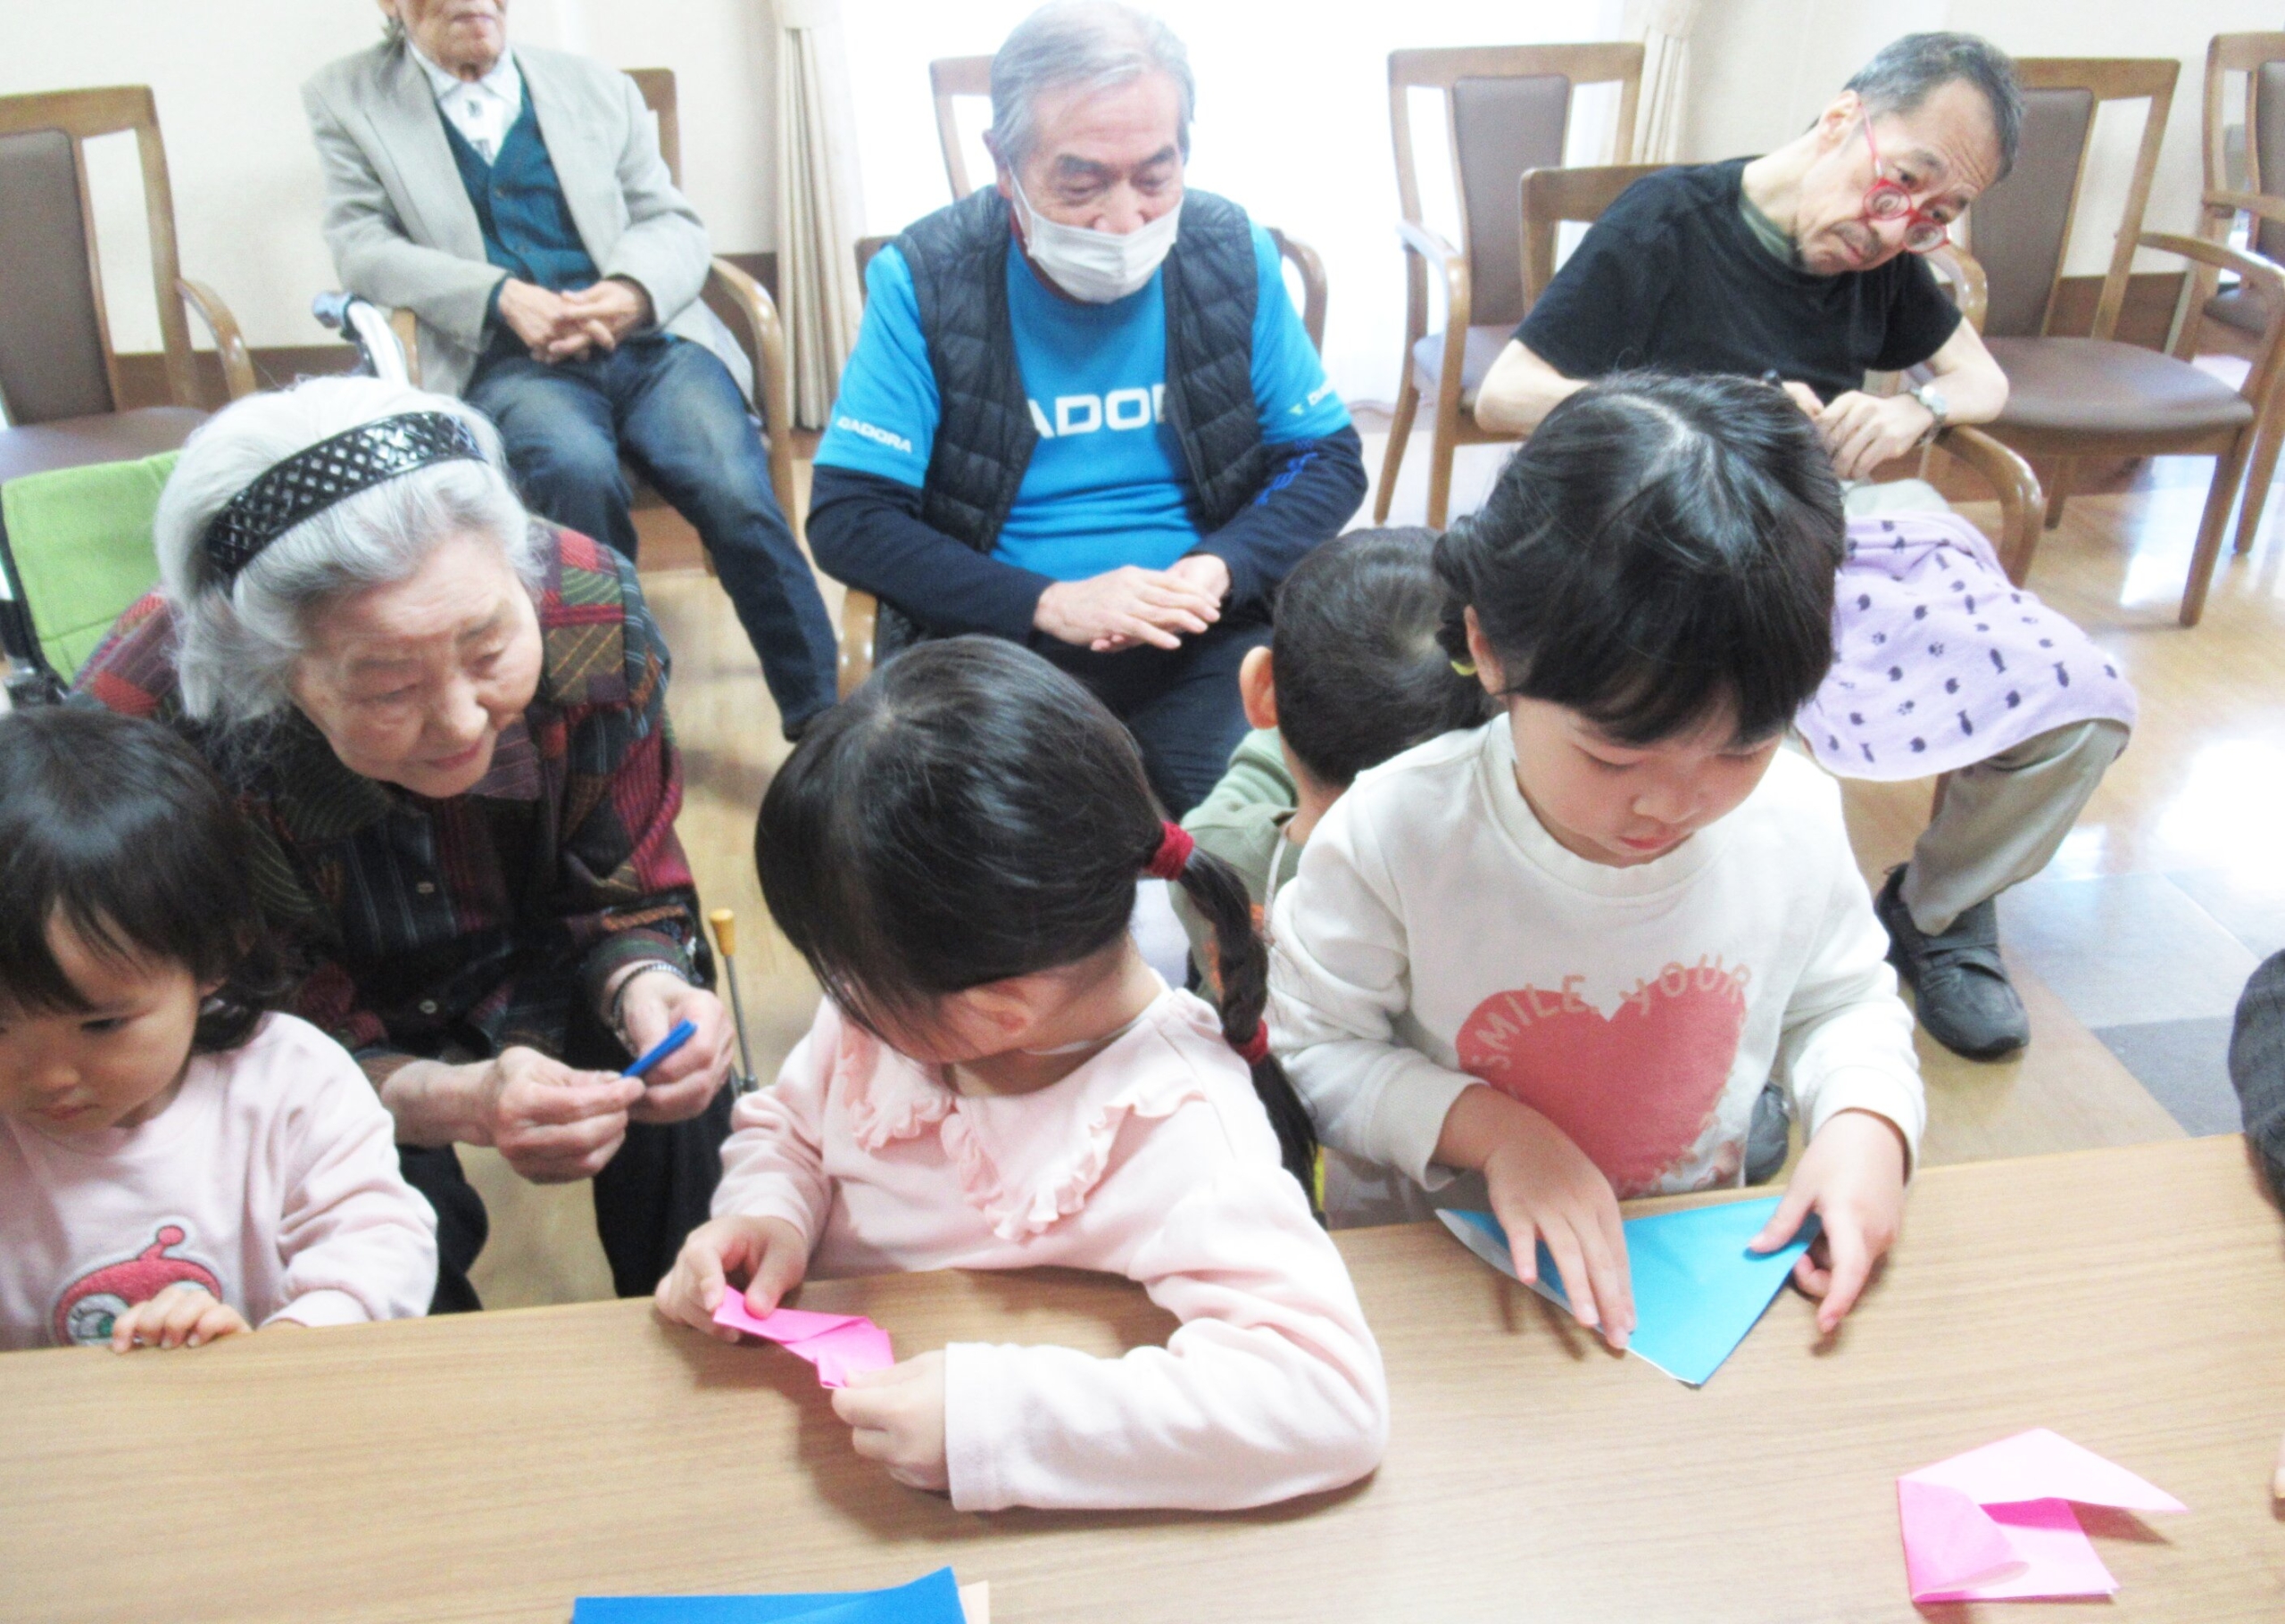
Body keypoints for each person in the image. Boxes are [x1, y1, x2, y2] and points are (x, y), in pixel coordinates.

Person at [1471, 32, 2135, 1063]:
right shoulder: (1668, 220)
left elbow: (1980, 381)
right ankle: (1725, 976)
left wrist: (1915, 408)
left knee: (2078, 699)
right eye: (1901, 182)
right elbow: (1505, 391)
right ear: (1840, 120)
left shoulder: (1888, 257)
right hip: (1689, 521)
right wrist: (1689, 410)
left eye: (1936, 214)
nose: (1896, 228)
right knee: (1732, 740)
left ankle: (1936, 908)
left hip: (1843, 521)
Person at [654, 637, 1387, 1511]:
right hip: (785, 1458)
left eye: (847, 976)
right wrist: (765, 1211)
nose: (838, 1001)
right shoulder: (894, 1015)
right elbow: (791, 1125)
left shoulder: (1174, 1122)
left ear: (994, 1015)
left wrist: (1000, 1419)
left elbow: (1326, 1398)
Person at [1271, 374, 1924, 1346]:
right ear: (1489, 649)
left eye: (1741, 747)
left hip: (1680, 1268)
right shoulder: (1395, 832)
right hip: (1444, 1286)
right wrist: (1498, 1134)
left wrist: (1866, 1122)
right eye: (1615, 754)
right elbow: (1317, 1051)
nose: (1672, 801)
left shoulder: (1792, 813)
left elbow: (1842, 1000)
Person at [77, 376, 737, 1311]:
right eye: (389, 688)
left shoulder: (584, 604)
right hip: (303, 1024)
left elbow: (623, 888)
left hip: (534, 939)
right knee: (387, 1234)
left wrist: (648, 980)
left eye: (489, 645)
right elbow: (237, 1024)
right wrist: (448, 1097)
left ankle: (713, 1330)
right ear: (270, 671)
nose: (464, 719)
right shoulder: (155, 739)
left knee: (679, 1076)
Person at [806, 0, 1367, 815]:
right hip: (1003, 641)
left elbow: (1328, 458)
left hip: (1202, 633)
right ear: (1003, 162)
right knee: (1021, 858)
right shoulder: (926, 276)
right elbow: (850, 516)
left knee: (1241, 839)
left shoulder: (1229, 251)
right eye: (1080, 182)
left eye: (1154, 176)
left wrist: (1218, 568)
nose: (1122, 220)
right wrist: (1051, 603)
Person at [304, 0, 839, 739]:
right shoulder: (348, 96)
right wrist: (498, 296)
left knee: (732, 483)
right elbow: (362, 245)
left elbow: (670, 221)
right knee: (572, 476)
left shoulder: (595, 86)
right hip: (513, 362)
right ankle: (618, 729)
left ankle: (825, 722)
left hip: (647, 346)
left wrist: (630, 292)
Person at [0, 707, 436, 1352]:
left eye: (103, 1024)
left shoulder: (289, 1083)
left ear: (211, 958)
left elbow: (378, 1241)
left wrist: (293, 1339)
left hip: (263, 1421)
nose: (50, 1075)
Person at [1172, 526, 1489, 971]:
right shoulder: (1510, 869)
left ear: (1262, 689)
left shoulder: (1209, 850)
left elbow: (1229, 806)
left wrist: (1291, 702)